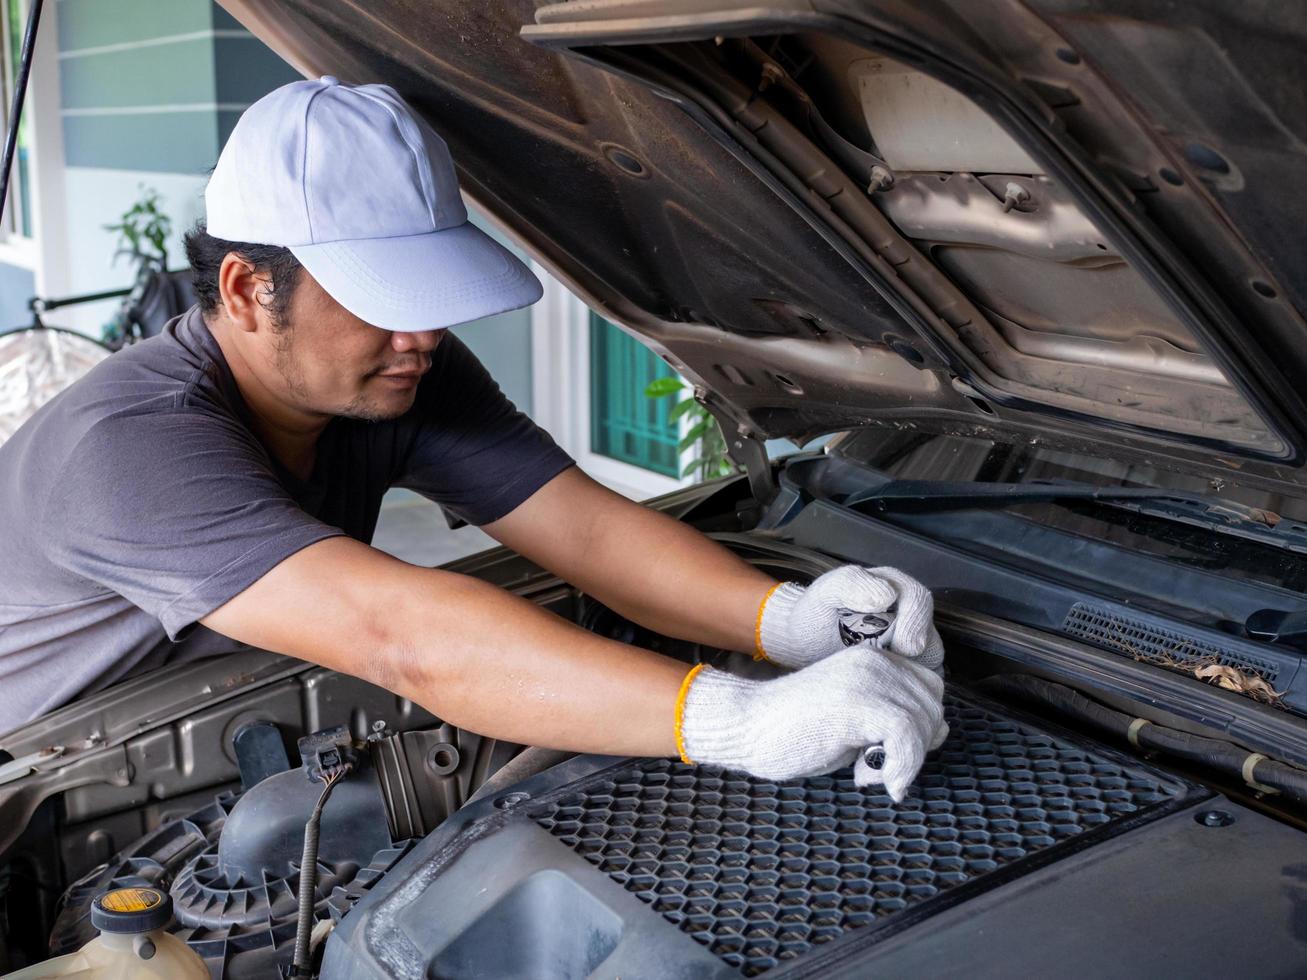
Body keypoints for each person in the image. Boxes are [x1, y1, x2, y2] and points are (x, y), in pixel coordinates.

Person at [0, 78, 946, 799]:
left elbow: (583, 533)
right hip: (52, 797)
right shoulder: (126, 450)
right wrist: (742, 721)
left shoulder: (391, 374)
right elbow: (401, 636)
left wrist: (784, 621)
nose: (423, 337)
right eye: (383, 303)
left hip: (222, 734)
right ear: (248, 291)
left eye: (431, 300)